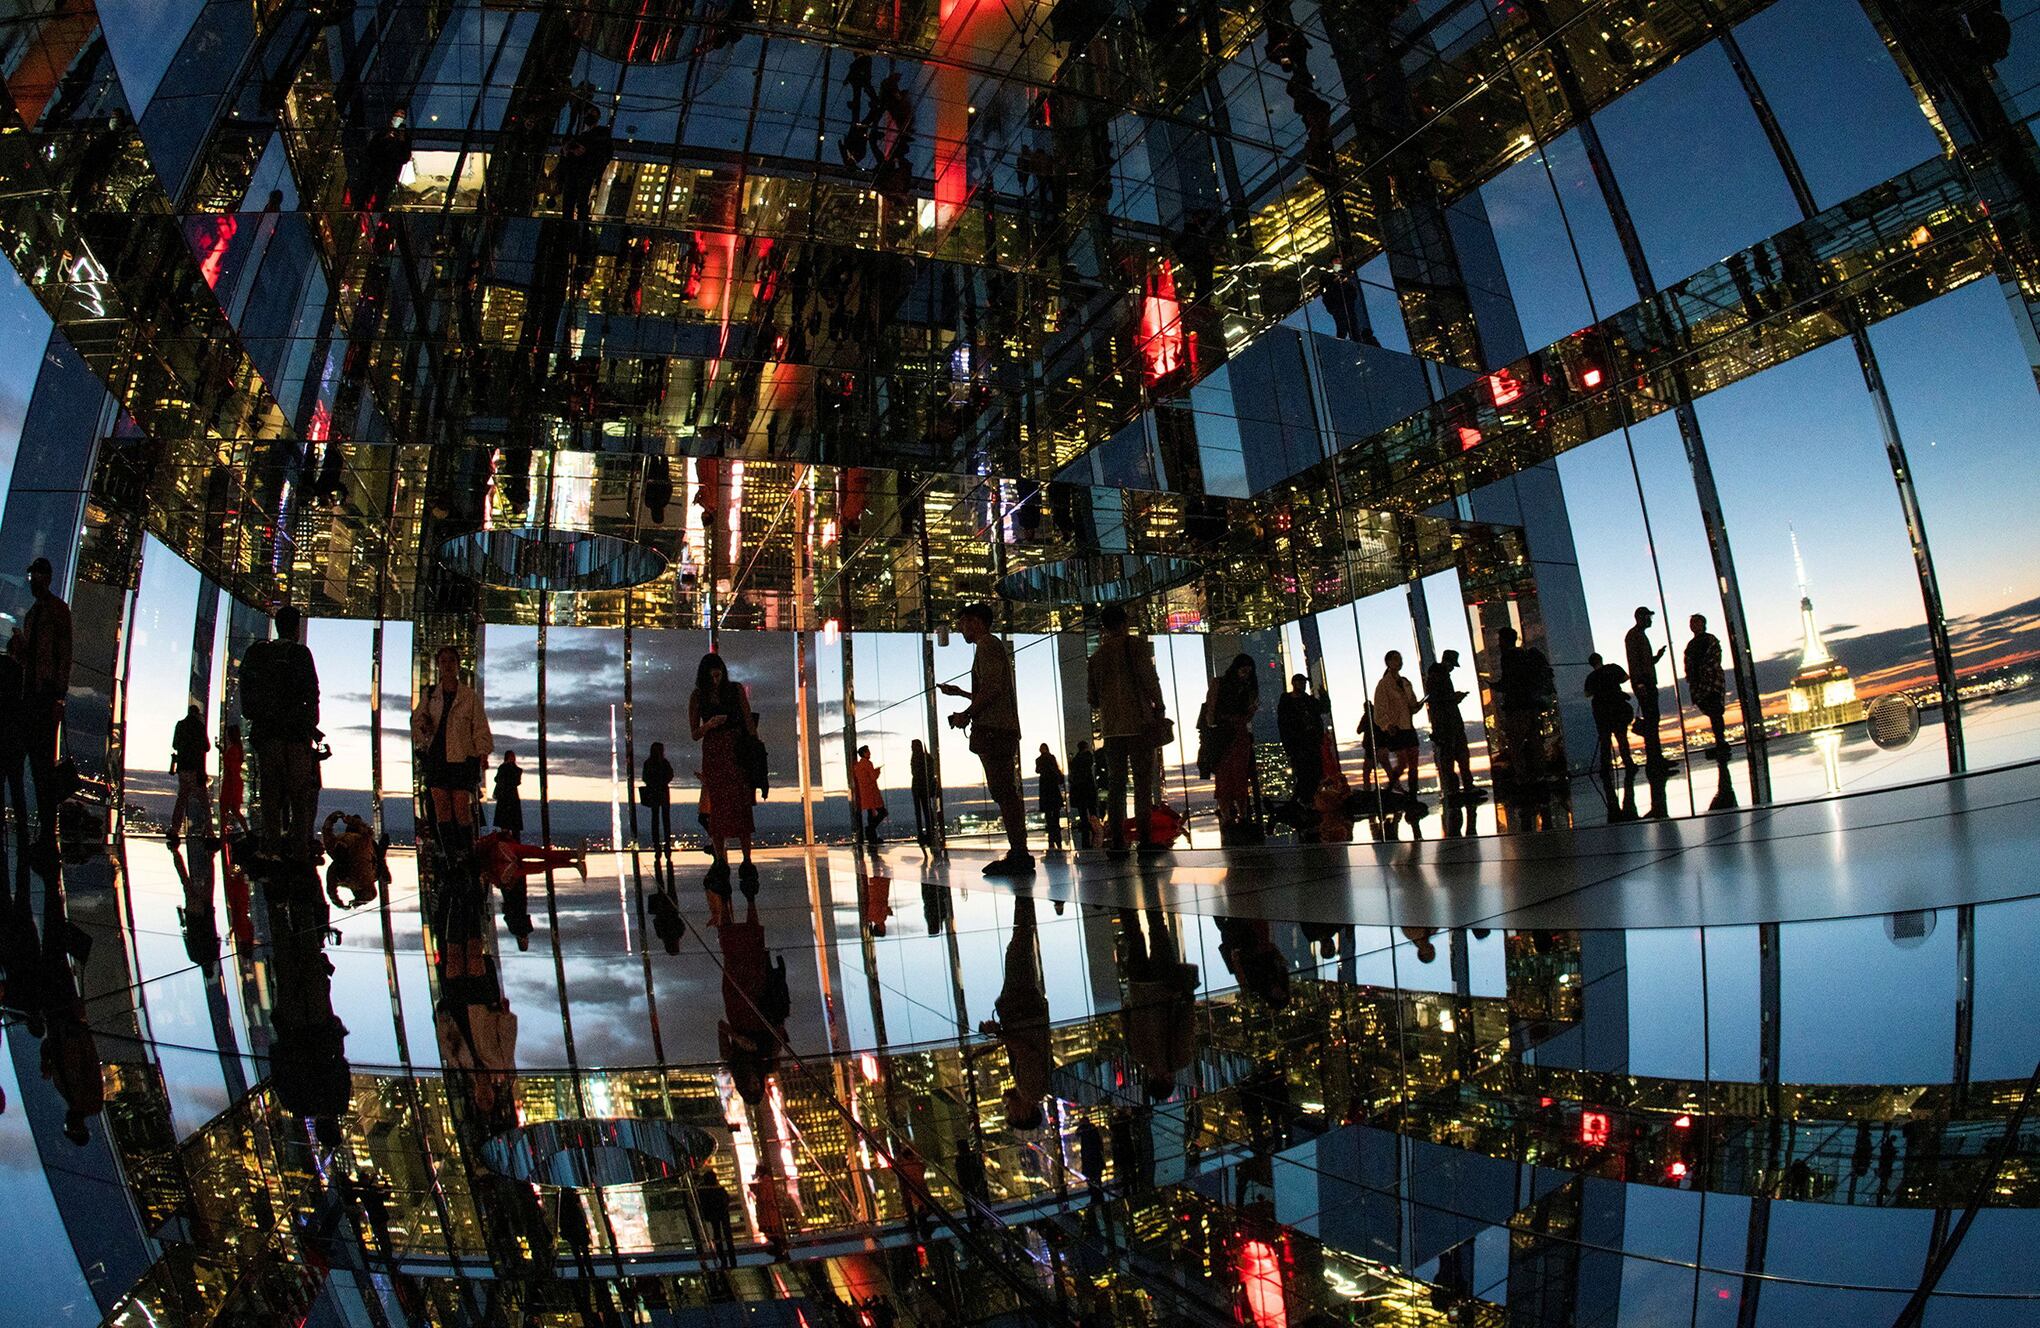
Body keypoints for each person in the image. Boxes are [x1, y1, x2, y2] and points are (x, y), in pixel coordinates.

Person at [940, 603, 1031, 876]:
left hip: (994, 730)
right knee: (1004, 791)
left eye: (962, 622)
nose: (960, 628)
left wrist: (966, 714)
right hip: (998, 728)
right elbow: (994, 691)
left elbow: (992, 689)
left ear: (976, 622)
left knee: (1004, 792)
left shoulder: (987, 645)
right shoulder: (989, 646)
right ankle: (1018, 852)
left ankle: (1019, 854)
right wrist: (963, 696)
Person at [240, 604, 320, 861]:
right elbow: (312, 693)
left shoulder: (259, 653)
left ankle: (271, 847)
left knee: (271, 793)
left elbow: (247, 691)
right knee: (299, 794)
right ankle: (299, 849)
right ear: (296, 629)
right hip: (296, 735)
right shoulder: (301, 655)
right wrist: (310, 724)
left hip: (268, 734)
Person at [1089, 605, 1170, 853]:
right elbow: (1150, 679)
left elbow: (1092, 698)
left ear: (1104, 627)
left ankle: (1118, 842)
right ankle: (1145, 840)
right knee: (1143, 782)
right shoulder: (1135, 646)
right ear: (1124, 623)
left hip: (1112, 729)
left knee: (1116, 786)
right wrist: (1160, 705)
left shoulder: (1096, 657)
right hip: (1139, 725)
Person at [411, 644, 492, 873]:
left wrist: (482, 753)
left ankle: (465, 852)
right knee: (441, 806)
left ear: (457, 666)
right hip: (437, 756)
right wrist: (424, 729)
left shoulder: (468, 697)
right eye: (443, 661)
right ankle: (450, 855)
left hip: (460, 757)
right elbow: (417, 721)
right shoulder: (431, 695)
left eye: (451, 661)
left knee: (460, 807)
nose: (447, 665)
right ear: (439, 665)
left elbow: (479, 726)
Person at [690, 655, 758, 891]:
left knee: (739, 805)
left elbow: (748, 721)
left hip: (735, 752)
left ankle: (746, 859)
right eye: (712, 675)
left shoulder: (735, 690)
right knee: (718, 807)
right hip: (715, 753)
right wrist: (710, 724)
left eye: (718, 673)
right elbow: (695, 733)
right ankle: (722, 859)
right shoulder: (698, 696)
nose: (715, 678)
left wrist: (755, 751)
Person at [21, 556, 73, 845]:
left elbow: (64, 654)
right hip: (31, 695)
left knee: (42, 763)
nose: (32, 581)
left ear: (46, 578)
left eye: (36, 577)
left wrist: (58, 697)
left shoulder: (56, 611)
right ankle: (44, 829)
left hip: (44, 696)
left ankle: (47, 829)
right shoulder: (33, 613)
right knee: (37, 762)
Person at [1493, 626, 1556, 794]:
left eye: (1499, 640)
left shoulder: (1508, 657)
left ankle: (1522, 778)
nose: (1498, 643)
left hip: (1517, 708)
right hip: (1532, 706)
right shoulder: (1525, 655)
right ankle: (1540, 775)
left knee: (1515, 744)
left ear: (1505, 641)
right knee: (1536, 742)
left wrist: (1495, 686)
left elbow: (1509, 682)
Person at [1205, 653, 1260, 838]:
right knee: (1230, 775)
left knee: (1233, 775)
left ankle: (1233, 817)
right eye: (1244, 670)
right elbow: (1211, 710)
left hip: (1229, 734)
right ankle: (1237, 816)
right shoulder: (1237, 686)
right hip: (1230, 734)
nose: (1246, 674)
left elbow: (1211, 711)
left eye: (1248, 671)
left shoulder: (1224, 684)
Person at [1424, 651, 1478, 801]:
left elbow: (1437, 699)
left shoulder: (1437, 676)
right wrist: (1454, 698)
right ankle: (1459, 788)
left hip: (1448, 724)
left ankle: (1456, 788)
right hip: (1447, 724)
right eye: (1452, 665)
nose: (1452, 668)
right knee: (1456, 756)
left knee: (1454, 756)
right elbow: (1438, 700)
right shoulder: (1438, 676)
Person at [1371, 651, 1422, 794]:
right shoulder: (1384, 685)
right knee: (1403, 762)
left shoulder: (1405, 682)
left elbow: (1411, 704)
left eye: (1400, 659)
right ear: (1388, 663)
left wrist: (1416, 706)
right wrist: (1387, 725)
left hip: (1407, 726)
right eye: (1396, 659)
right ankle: (1391, 788)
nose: (1400, 662)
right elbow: (1379, 710)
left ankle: (1412, 792)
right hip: (1397, 728)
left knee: (1413, 763)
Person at [1625, 606, 1667, 768]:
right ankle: (1655, 761)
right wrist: (1640, 683)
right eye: (1648, 617)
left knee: (1652, 720)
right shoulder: (1634, 636)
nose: (1650, 620)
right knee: (1651, 721)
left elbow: (1644, 661)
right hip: (1644, 683)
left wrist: (1657, 656)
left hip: (1646, 682)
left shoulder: (1638, 635)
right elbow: (1634, 662)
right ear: (1641, 618)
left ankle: (1656, 759)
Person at [319, 810, 389, 909]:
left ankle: (359, 901)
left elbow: (327, 832)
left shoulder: (362, 840)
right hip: (363, 866)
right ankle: (359, 901)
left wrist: (335, 818)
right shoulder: (364, 839)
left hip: (357, 868)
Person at [1276, 674, 1325, 806]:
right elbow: (1284, 724)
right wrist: (1289, 746)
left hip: (1311, 742)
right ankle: (1304, 801)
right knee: (1304, 774)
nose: (1303, 685)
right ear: (1294, 683)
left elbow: (1323, 708)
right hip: (1298, 744)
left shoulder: (1308, 700)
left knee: (1314, 773)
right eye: (1301, 682)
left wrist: (1323, 695)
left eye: (1304, 683)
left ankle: (1304, 802)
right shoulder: (1287, 701)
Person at [1583, 653, 1635, 777]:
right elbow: (1625, 678)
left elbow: (1587, 694)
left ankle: (1605, 768)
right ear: (1601, 659)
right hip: (1617, 708)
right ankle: (1628, 763)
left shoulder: (1591, 678)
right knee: (1621, 737)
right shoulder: (1612, 669)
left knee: (1605, 741)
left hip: (1601, 712)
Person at [1685, 614, 1729, 757]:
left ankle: (1721, 742)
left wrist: (1700, 673)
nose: (1693, 625)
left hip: (1710, 682)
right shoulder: (1694, 644)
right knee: (1713, 712)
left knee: (1715, 711)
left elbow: (1713, 659)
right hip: (1703, 683)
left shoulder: (1708, 640)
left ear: (1703, 624)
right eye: (1692, 623)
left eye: (1696, 622)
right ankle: (1720, 742)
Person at [168, 704, 212, 839]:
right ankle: (209, 830)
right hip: (196, 768)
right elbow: (207, 747)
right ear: (197, 714)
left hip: (183, 767)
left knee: (182, 798)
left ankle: (175, 829)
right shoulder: (199, 726)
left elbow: (175, 744)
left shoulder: (180, 725)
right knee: (203, 800)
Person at [0, 633, 26, 854]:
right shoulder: (25, 677)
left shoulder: (4, 668)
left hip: (5, 738)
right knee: (17, 788)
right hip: (16, 741)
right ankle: (23, 834)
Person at [641, 741, 674, 863]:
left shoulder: (648, 763)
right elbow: (670, 775)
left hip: (653, 792)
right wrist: (662, 783)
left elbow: (645, 777)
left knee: (655, 819)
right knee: (665, 819)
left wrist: (652, 784)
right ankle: (667, 845)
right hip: (663, 792)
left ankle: (657, 846)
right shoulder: (664, 763)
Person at [851, 744, 886, 846]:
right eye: (868, 751)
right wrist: (878, 771)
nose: (869, 753)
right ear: (864, 753)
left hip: (864, 793)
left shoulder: (857, 766)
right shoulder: (868, 763)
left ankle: (872, 837)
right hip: (872, 792)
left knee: (870, 813)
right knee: (882, 812)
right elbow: (873, 777)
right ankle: (870, 830)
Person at [1035, 744, 1066, 850]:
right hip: (1052, 785)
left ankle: (1051, 833)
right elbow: (1056, 769)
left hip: (1045, 786)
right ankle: (1056, 830)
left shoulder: (1038, 760)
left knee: (1048, 812)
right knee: (1055, 811)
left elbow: (1037, 770)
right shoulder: (1051, 757)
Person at [1067, 739, 1097, 849]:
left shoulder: (1075, 760)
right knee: (1091, 806)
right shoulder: (1088, 757)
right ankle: (1094, 825)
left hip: (1079, 787)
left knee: (1083, 808)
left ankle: (1085, 824)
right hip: (1087, 785)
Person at [908, 737, 938, 849]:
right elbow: (930, 773)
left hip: (918, 786)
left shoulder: (916, 758)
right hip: (923, 786)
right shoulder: (927, 758)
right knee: (926, 810)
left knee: (920, 811)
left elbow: (914, 772)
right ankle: (929, 835)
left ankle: (923, 835)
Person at [219, 723, 245, 837]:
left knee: (226, 808)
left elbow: (230, 766)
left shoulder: (233, 749)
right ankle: (246, 831)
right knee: (233, 809)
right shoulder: (237, 748)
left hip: (231, 782)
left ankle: (223, 834)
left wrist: (224, 753)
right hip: (233, 782)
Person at [491, 750, 524, 841]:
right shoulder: (513, 769)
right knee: (512, 824)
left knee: (505, 822)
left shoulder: (504, 768)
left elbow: (498, 779)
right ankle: (513, 841)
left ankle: (507, 840)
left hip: (505, 798)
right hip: (510, 798)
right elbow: (516, 780)